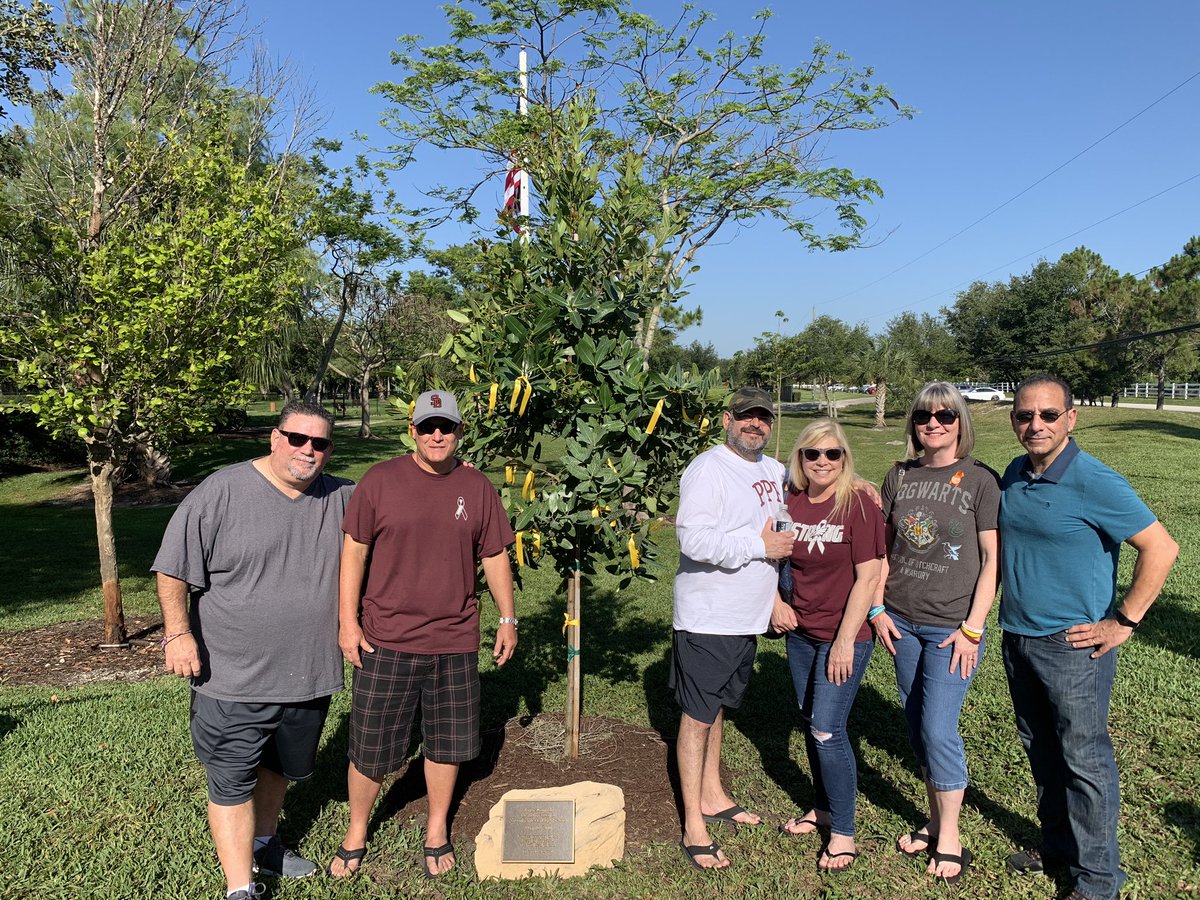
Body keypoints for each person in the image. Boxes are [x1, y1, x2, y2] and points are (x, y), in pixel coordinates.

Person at [152, 401, 354, 900]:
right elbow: (172, 567)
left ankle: (265, 843)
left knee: (278, 767)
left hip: (307, 674)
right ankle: (239, 888)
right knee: (231, 778)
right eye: (297, 438)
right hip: (234, 676)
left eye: (320, 443)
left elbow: (402, 507)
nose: (308, 450)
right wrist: (177, 633)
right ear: (275, 438)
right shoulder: (222, 491)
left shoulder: (342, 496)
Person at [999, 374, 1178, 900]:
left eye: (1048, 414)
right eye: (1025, 415)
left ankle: (1098, 882)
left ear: (1071, 419)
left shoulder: (1095, 481)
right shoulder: (1014, 472)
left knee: (1084, 760)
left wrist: (1124, 621)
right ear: (1014, 420)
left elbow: (1162, 548)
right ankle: (1058, 846)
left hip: (1073, 646)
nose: (1036, 424)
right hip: (1018, 636)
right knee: (1041, 750)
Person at [328, 389, 517, 880]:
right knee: (371, 748)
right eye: (428, 426)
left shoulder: (477, 486)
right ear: (412, 430)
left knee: (447, 744)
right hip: (386, 639)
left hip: (454, 641)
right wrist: (348, 621)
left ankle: (436, 829)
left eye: (446, 427)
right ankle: (356, 831)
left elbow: (494, 554)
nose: (437, 435)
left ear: (459, 432)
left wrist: (508, 618)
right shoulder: (380, 480)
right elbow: (354, 551)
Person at [870, 382, 1000, 885]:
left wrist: (973, 628)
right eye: (925, 416)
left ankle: (950, 837)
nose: (934, 424)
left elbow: (991, 560)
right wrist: (877, 608)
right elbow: (882, 551)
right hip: (901, 621)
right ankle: (932, 818)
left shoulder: (980, 480)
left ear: (960, 422)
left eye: (946, 416)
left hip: (952, 629)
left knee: (939, 728)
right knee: (917, 722)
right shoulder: (899, 476)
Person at [671, 386, 795, 870]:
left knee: (717, 705)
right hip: (710, 616)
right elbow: (694, 540)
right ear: (727, 420)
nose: (755, 424)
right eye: (746, 416)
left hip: (747, 616)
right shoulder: (708, 469)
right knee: (697, 716)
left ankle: (713, 794)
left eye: (763, 417)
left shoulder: (773, 470)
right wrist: (758, 547)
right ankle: (692, 824)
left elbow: (798, 508)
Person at [774, 418, 884, 873]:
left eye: (832, 453)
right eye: (812, 453)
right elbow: (773, 558)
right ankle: (821, 807)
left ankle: (843, 832)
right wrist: (776, 602)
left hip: (845, 636)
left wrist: (843, 642)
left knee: (826, 729)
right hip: (801, 632)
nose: (822, 461)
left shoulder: (859, 503)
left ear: (844, 458)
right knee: (809, 720)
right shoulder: (790, 501)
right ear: (799, 458)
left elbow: (869, 576)